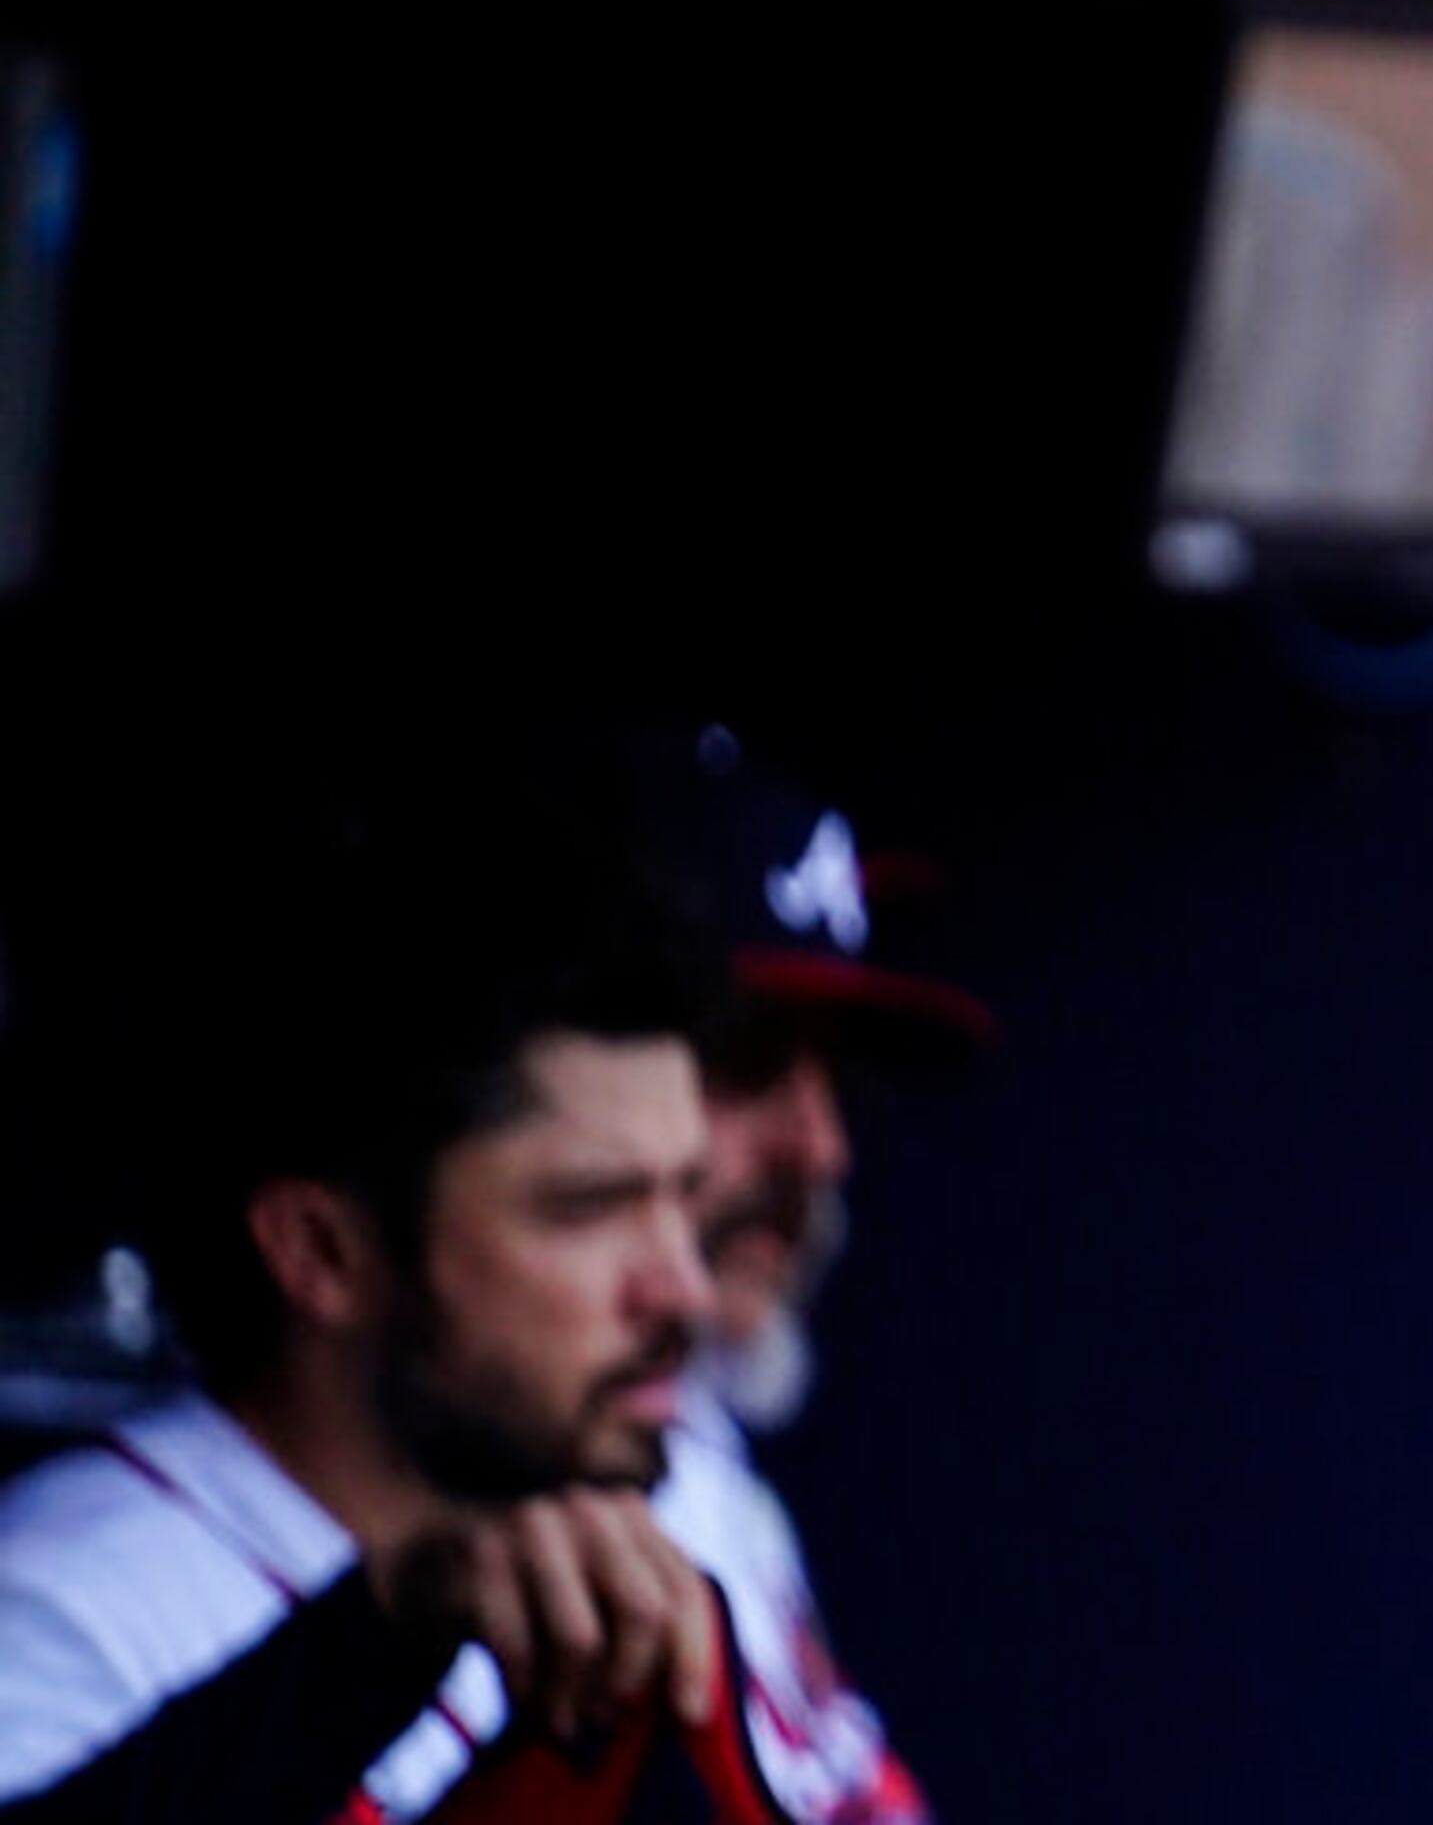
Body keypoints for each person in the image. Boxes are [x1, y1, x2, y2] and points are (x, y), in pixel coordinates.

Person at [0, 778, 767, 1821]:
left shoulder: (654, 1520)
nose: (681, 1286)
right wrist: (365, 1651)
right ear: (322, 1252)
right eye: (589, 1209)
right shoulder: (65, 1614)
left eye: (687, 1198)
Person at [636, 725, 994, 1825]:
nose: (822, 1148)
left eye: (833, 1075)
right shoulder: (468, 1551)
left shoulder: (712, 1479)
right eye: (745, 1058)